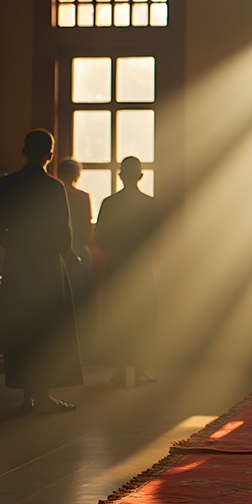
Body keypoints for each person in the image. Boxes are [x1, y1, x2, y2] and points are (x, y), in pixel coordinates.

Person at [0, 129, 83, 414]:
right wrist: (68, 255)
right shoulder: (54, 188)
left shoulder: (7, 185)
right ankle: (43, 394)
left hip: (18, 266)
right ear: (50, 155)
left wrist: (14, 244)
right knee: (47, 329)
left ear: (23, 151)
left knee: (21, 327)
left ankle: (27, 396)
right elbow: (61, 232)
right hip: (46, 268)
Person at [95, 156, 161, 387]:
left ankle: (120, 371)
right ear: (141, 176)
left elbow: (100, 236)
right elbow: (158, 235)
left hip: (118, 264)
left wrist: (115, 251)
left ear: (120, 175)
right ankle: (141, 370)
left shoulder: (109, 202)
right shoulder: (149, 203)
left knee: (117, 317)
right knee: (143, 317)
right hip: (142, 265)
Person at [56, 158, 94, 347]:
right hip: (79, 247)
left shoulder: (54, 194)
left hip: (57, 251)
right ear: (77, 175)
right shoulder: (83, 197)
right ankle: (82, 345)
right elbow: (87, 231)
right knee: (80, 299)